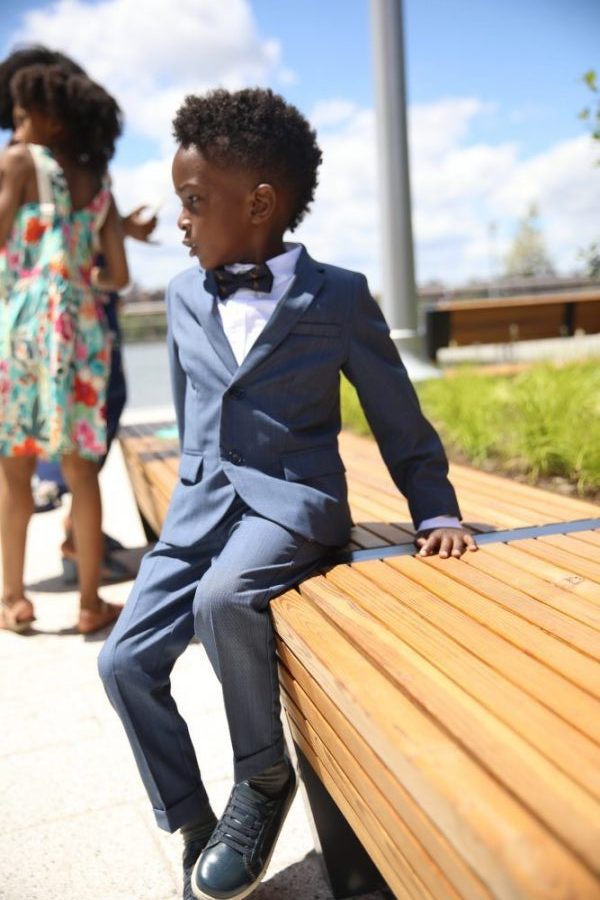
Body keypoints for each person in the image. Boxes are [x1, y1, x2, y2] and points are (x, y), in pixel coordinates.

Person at [98, 87, 477, 900]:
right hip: (201, 507)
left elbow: (395, 411)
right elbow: (197, 402)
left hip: (291, 504)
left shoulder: (337, 296)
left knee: (226, 601)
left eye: (194, 204)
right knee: (123, 659)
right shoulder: (183, 294)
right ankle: (201, 821)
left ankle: (263, 782)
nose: (182, 223)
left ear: (261, 204)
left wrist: (434, 507)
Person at [0, 45, 159, 581]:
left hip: (25, 332)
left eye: (21, 118)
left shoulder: (19, 162)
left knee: (15, 467)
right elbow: (118, 276)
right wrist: (81, 281)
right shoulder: (99, 183)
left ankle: (11, 597)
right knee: (83, 469)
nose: (15, 129)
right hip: (86, 332)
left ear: (47, 118)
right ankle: (91, 601)